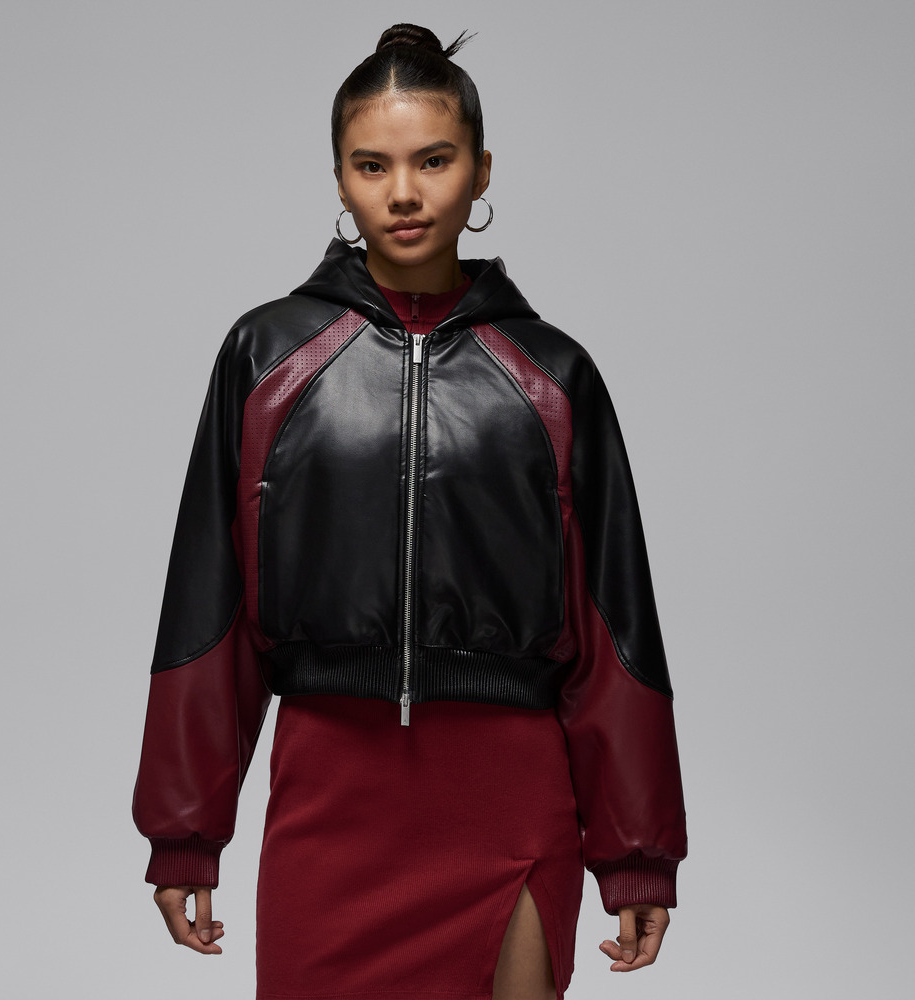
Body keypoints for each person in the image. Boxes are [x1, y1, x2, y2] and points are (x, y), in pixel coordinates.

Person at [133, 23, 687, 1000]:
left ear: (481, 172)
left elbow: (616, 630)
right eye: (371, 165)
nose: (402, 192)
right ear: (339, 180)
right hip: (330, 798)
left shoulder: (554, 376)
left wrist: (637, 854)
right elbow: (207, 606)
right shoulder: (265, 359)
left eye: (433, 160)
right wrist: (185, 833)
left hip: (509, 801)